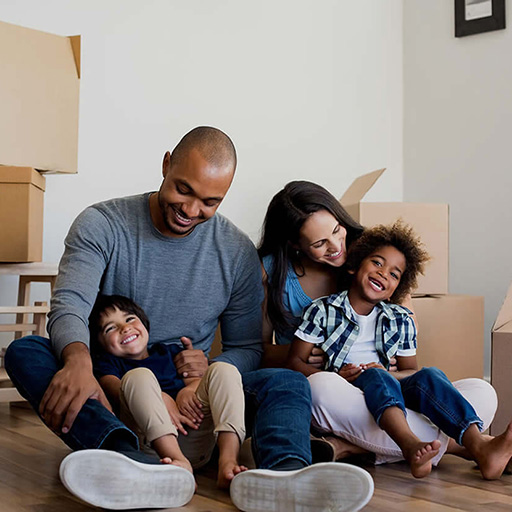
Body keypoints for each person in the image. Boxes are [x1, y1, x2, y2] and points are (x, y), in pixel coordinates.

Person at [5, 127, 373, 512]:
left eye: (210, 202)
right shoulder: (102, 224)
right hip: (114, 388)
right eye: (183, 190)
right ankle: (125, 455)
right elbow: (70, 305)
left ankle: (285, 477)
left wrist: (206, 372)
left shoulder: (235, 252)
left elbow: (246, 347)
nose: (191, 210)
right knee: (26, 352)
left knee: (286, 381)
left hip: (195, 399)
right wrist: (77, 361)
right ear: (166, 165)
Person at [258, 180, 498, 466]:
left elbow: (408, 349)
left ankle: (352, 447)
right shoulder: (286, 282)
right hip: (334, 391)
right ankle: (458, 447)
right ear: (294, 244)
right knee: (322, 387)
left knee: (483, 392)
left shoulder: (372, 254)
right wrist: (312, 358)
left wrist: (393, 367)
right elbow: (260, 350)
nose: (337, 246)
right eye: (320, 243)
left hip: (389, 389)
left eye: (336, 230)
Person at [289, 221, 512, 480]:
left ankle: (475, 444)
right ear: (354, 265)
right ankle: (420, 445)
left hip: (394, 395)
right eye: (377, 263)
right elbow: (294, 362)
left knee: (471, 388)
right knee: (320, 386)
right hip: (348, 394)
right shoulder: (323, 310)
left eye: (395, 274)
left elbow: (410, 373)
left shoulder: (401, 318)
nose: (384, 273)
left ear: (397, 288)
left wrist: (386, 374)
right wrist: (338, 375)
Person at [89, 294, 247, 489]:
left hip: (196, 433)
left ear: (145, 325)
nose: (125, 327)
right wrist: (160, 397)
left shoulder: (169, 352)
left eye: (129, 319)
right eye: (110, 328)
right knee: (138, 376)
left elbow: (197, 380)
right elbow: (113, 389)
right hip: (153, 446)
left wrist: (188, 390)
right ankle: (178, 462)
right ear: (100, 344)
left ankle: (228, 461)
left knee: (224, 370)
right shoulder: (108, 364)